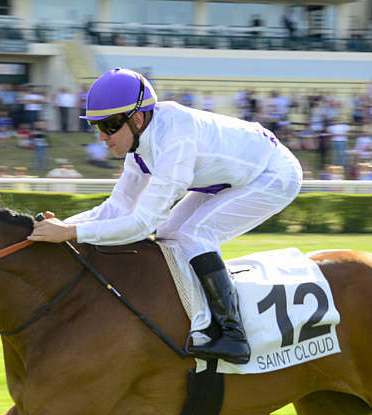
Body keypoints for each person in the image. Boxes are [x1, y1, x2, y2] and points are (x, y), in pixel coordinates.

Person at [28, 68, 303, 365]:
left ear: (136, 119)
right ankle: (195, 318)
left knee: (193, 235)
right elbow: (116, 209)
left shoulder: (175, 142)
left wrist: (71, 234)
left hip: (273, 174)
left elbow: (143, 224)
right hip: (233, 175)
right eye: (96, 126)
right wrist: (63, 225)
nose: (102, 137)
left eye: (108, 125)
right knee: (170, 236)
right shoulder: (139, 144)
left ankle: (233, 335)